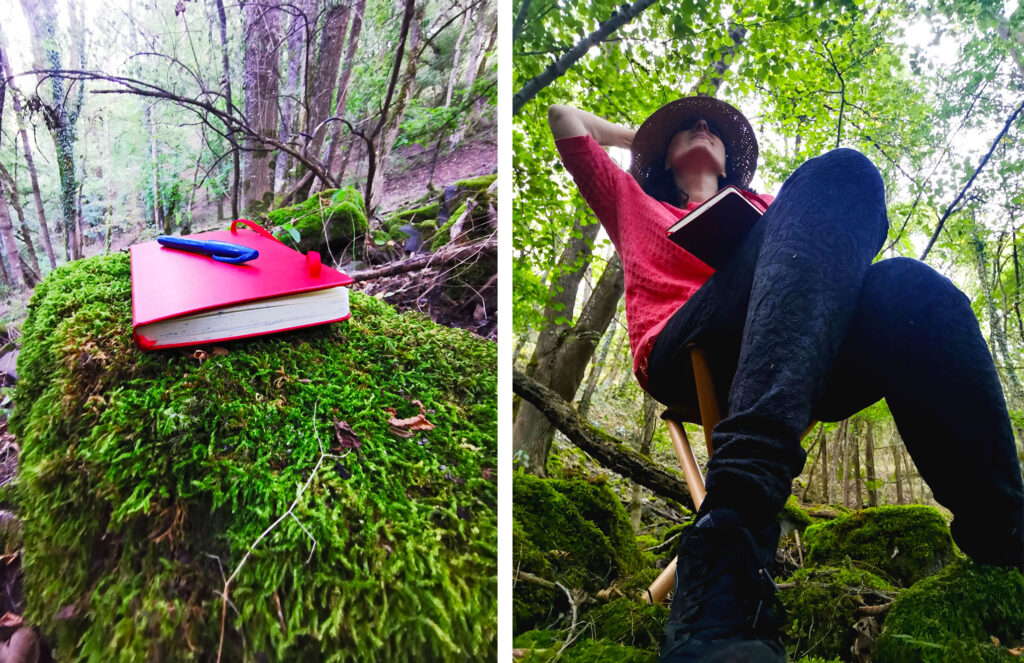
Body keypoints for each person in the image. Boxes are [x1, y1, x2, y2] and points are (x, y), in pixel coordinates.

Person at [547, 96, 1024, 663]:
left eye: (712, 130)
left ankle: (1007, 541)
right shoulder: (633, 199)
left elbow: (828, 259)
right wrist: (645, 139)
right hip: (687, 344)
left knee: (912, 287)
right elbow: (563, 116)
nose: (702, 128)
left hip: (793, 349)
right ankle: (725, 570)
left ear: (730, 163)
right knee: (839, 172)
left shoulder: (765, 206)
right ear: (662, 156)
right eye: (687, 129)